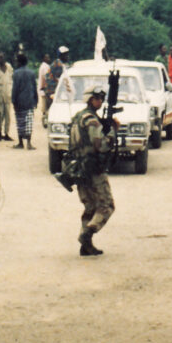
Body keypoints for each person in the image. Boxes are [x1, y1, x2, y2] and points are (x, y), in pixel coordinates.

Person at [69, 86, 117, 256]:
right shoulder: (91, 120)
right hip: (93, 168)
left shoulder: (78, 117)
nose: (100, 101)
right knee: (106, 206)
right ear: (89, 99)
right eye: (96, 98)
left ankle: (86, 246)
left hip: (79, 168)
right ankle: (87, 234)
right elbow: (100, 145)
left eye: (101, 98)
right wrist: (112, 132)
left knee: (90, 207)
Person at [11, 52, 38, 150]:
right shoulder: (32, 73)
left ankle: (20, 143)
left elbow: (15, 89)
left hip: (19, 101)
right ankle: (29, 143)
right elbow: (34, 87)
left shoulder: (16, 73)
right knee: (29, 122)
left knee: (20, 121)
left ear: (19, 62)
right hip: (29, 101)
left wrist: (13, 100)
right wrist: (36, 100)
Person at [0, 52, 14, 142]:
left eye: (1, 57)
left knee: (8, 114)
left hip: (7, 92)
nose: (0, 59)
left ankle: (6, 133)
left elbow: (11, 78)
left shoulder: (9, 67)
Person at [37, 53, 52, 124]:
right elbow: (47, 78)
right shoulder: (45, 67)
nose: (49, 59)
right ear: (44, 59)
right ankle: (45, 121)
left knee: (45, 106)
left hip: (43, 90)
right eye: (47, 58)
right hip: (46, 90)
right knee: (46, 107)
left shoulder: (43, 66)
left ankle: (45, 120)